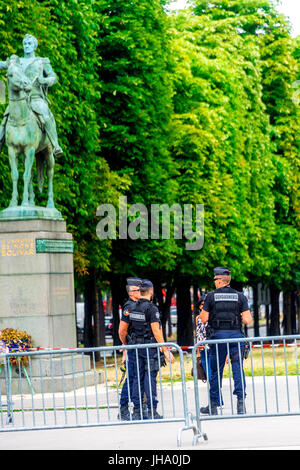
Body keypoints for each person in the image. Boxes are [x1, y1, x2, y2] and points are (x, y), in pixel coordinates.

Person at [119, 279, 174, 420]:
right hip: (149, 347)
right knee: (149, 379)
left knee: (137, 379)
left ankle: (138, 411)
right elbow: (156, 331)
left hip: (136, 348)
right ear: (151, 292)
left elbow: (123, 330)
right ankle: (151, 409)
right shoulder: (151, 308)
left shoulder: (132, 307)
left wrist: (127, 346)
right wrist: (166, 350)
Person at [199, 267, 252, 415]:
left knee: (216, 372)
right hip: (236, 338)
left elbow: (203, 319)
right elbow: (247, 319)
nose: (214, 282)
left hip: (218, 339)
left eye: (215, 279)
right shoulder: (240, 296)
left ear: (221, 280)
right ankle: (241, 404)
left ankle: (213, 406)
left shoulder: (210, 296)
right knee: (237, 370)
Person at [0, 34, 62, 156]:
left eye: (29, 44)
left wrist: (44, 81)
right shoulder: (16, 62)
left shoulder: (41, 61)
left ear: (34, 46)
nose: (27, 46)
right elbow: (2, 64)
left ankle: (55, 145)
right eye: (25, 44)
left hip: (36, 98)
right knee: (5, 118)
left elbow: (53, 77)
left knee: (45, 114)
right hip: (19, 99)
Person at [118, 277, 142, 421]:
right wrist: (126, 345)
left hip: (139, 347)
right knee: (131, 378)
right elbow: (122, 331)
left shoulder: (139, 305)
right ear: (131, 292)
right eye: (138, 290)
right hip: (133, 347)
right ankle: (123, 408)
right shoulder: (129, 307)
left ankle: (139, 407)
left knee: (137, 378)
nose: (140, 292)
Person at [195, 295, 224, 408]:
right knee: (209, 375)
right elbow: (198, 335)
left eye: (205, 304)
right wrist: (197, 351)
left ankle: (217, 401)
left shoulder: (214, 317)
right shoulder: (198, 318)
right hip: (202, 350)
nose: (203, 306)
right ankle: (216, 400)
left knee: (213, 375)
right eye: (201, 304)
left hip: (212, 348)